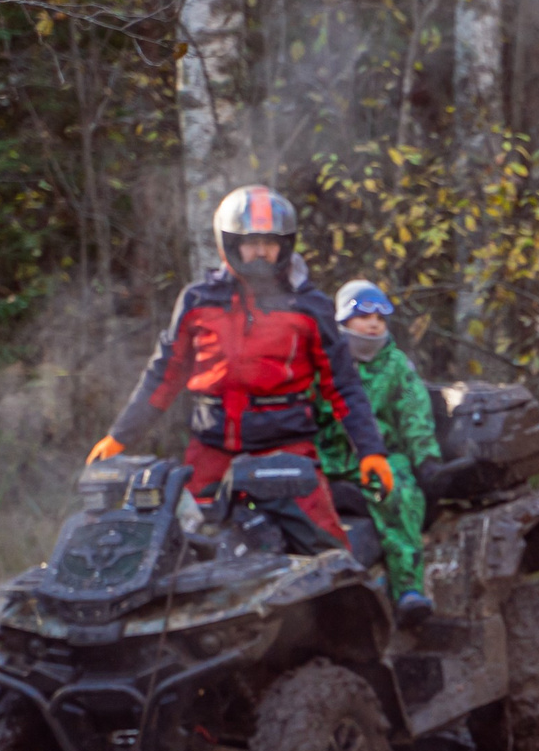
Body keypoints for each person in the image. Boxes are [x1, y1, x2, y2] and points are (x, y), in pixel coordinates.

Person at [91, 185, 391, 545]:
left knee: (325, 549)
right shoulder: (198, 300)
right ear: (230, 243)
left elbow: (343, 385)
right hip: (210, 451)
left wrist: (371, 450)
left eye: (270, 241)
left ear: (286, 244)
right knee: (178, 544)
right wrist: (120, 436)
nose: (261, 251)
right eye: (251, 242)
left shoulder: (310, 306)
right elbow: (164, 376)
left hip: (287, 450)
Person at [323, 280, 443, 627]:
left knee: (399, 497)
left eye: (380, 317)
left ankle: (408, 589)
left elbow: (414, 416)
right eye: (363, 316)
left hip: (384, 459)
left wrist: (428, 461)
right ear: (343, 321)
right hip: (328, 461)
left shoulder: (396, 366)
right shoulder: (324, 364)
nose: (373, 323)